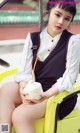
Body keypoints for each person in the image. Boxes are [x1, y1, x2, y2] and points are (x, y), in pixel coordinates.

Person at [0, 0, 80, 133]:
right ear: (48, 14)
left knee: (20, 115)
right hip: (36, 88)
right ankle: (4, 130)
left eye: (67, 18)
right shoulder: (33, 38)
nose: (61, 21)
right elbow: (24, 71)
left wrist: (46, 94)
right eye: (58, 15)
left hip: (59, 94)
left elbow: (69, 78)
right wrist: (22, 88)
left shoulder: (73, 41)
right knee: (6, 89)